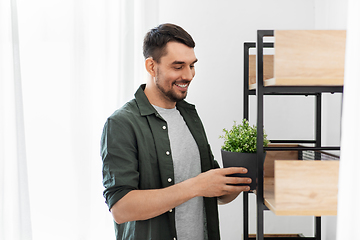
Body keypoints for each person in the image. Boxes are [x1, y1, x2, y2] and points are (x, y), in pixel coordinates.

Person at [100, 23, 251, 240]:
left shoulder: (189, 115)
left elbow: (215, 192)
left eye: (192, 66)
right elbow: (122, 209)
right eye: (178, 66)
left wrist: (245, 177)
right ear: (152, 67)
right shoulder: (121, 123)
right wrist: (196, 186)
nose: (188, 75)